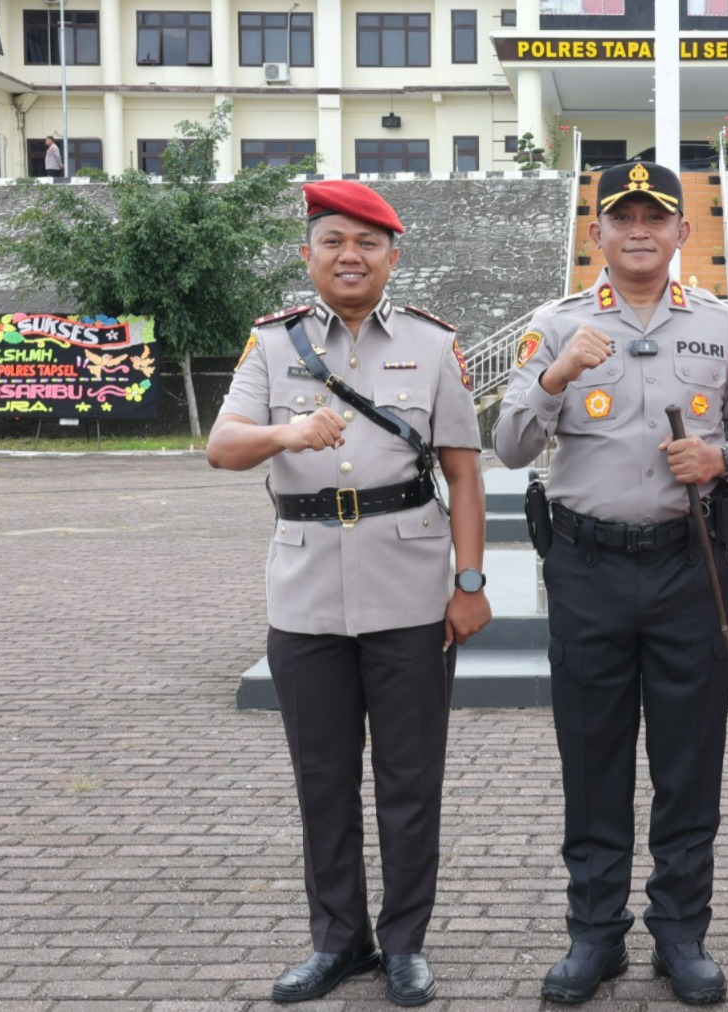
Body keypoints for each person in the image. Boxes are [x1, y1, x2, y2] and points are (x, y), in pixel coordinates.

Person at [206, 179, 492, 1007]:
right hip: (305, 599)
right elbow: (222, 447)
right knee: (322, 781)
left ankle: (404, 945)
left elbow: (463, 476)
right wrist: (285, 432)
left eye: (368, 243)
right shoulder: (274, 345)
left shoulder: (433, 345)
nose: (350, 256)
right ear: (308, 255)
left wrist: (469, 583)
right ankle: (338, 942)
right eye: (333, 241)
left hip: (410, 594)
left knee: (410, 780)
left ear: (392, 258)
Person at [492, 160, 728, 1006]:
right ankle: (595, 934)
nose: (639, 231)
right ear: (597, 233)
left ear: (684, 231)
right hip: (587, 568)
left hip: (688, 566)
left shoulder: (721, 327)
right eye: (623, 217)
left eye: (655, 217)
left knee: (689, 761)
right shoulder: (556, 325)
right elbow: (507, 445)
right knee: (592, 757)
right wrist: (554, 376)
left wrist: (720, 459)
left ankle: (681, 934)